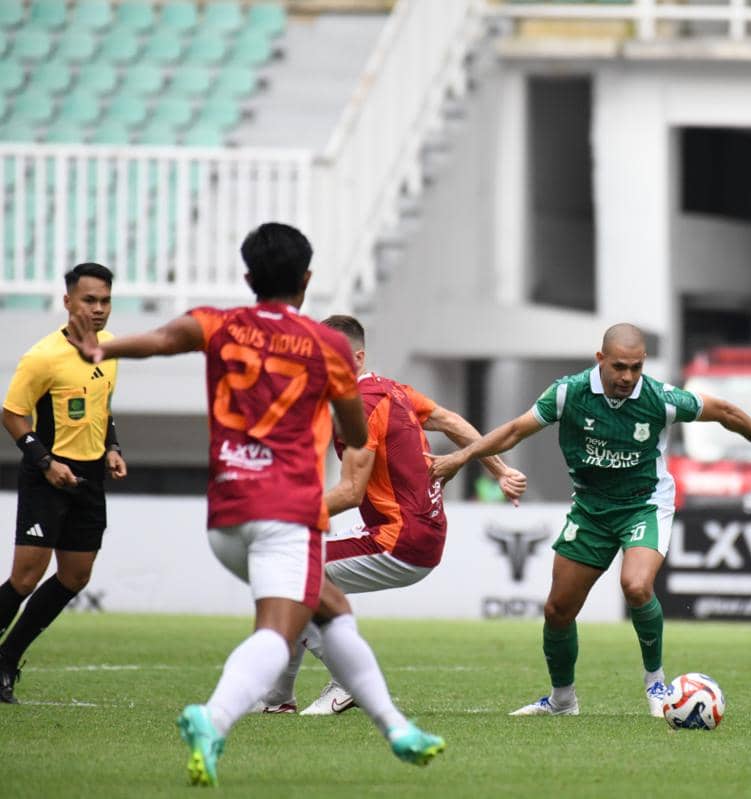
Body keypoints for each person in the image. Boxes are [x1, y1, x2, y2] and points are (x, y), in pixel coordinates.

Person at [65, 223, 444, 785]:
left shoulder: (219, 324)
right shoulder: (328, 345)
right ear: (307, 279)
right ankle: (213, 720)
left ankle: (396, 727)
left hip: (225, 515)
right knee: (278, 628)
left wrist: (102, 346)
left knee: (330, 608)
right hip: (286, 512)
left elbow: (165, 339)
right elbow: (355, 429)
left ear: (248, 277)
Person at [428, 323, 751, 717]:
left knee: (636, 586)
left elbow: (721, 410)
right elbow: (516, 430)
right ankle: (562, 701)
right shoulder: (569, 393)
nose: (627, 377)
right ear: (600, 359)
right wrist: (461, 457)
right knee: (557, 611)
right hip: (590, 509)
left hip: (645, 503)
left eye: (636, 368)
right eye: (620, 366)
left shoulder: (659, 398)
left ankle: (656, 684)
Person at [258, 313, 527, 716]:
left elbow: (351, 493)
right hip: (417, 532)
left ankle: (345, 682)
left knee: (293, 573)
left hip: (399, 539)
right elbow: (452, 422)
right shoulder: (391, 391)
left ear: (358, 359)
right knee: (300, 574)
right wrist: (501, 469)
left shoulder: (362, 408)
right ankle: (279, 700)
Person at [0, 263, 128, 704]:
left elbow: (102, 404)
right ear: (68, 302)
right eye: (89, 300)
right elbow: (12, 414)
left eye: (105, 301)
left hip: (90, 476)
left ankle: (7, 658)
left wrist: (111, 446)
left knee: (75, 576)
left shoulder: (109, 348)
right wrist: (45, 461)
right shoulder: (42, 357)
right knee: (25, 577)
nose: (98, 309)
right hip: (47, 474)